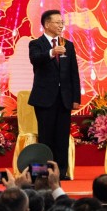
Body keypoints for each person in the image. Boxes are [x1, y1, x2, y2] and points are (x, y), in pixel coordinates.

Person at [27, 10, 81, 179]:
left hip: (64, 99)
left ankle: (61, 172)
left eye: (62, 22)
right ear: (47, 24)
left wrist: (76, 98)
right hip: (44, 99)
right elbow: (35, 59)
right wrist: (52, 52)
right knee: (45, 137)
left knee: (62, 137)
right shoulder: (36, 44)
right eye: (57, 22)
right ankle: (43, 173)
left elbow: (74, 73)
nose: (61, 25)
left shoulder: (68, 45)